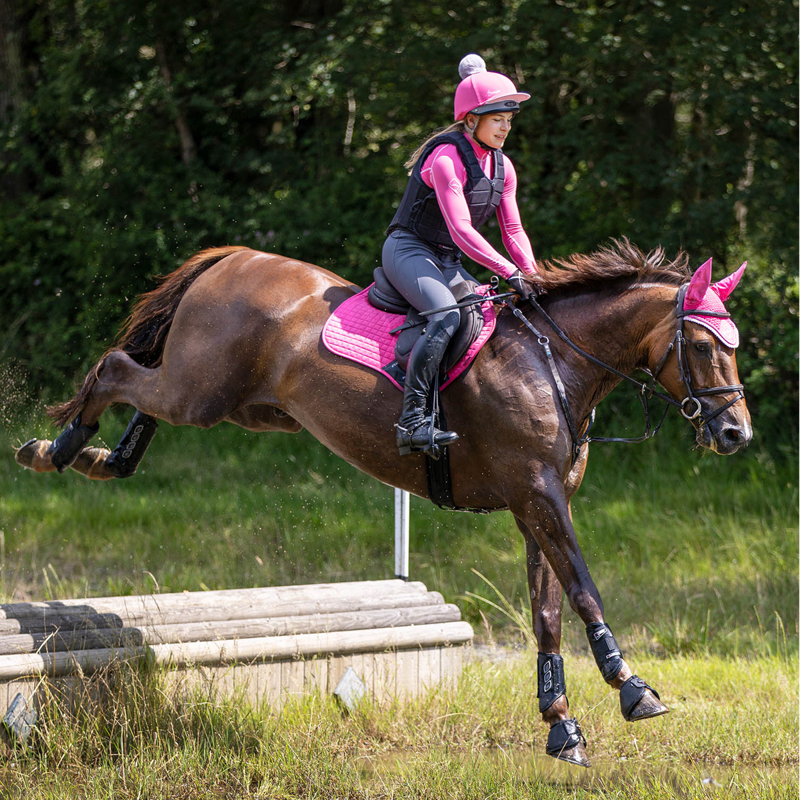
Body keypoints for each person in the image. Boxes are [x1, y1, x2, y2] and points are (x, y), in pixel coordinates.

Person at [384, 54, 539, 456]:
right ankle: (413, 422)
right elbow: (460, 229)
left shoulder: (504, 167)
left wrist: (533, 276)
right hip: (408, 250)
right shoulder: (446, 158)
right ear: (471, 120)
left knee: (484, 316)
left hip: (448, 261)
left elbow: (513, 230)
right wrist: (508, 271)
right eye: (497, 118)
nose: (506, 126)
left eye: (510, 118)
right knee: (447, 315)